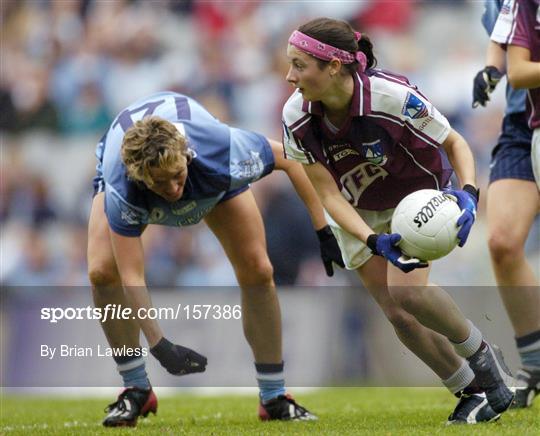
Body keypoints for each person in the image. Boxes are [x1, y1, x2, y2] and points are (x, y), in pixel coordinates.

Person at [282, 17, 515, 425]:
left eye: (300, 65)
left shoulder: (391, 97)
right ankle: (470, 392)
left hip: (417, 199)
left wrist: (469, 194)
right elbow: (328, 194)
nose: (289, 76)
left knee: (407, 295)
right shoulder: (296, 117)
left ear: (333, 66)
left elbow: (454, 142)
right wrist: (372, 240)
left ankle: (481, 355)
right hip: (358, 211)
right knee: (397, 314)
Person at [88, 91, 345, 426]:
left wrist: (323, 229)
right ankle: (135, 388)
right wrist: (160, 345)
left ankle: (274, 396)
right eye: (160, 183)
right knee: (102, 273)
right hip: (128, 166)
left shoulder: (218, 149)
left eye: (177, 175)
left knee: (258, 270)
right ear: (141, 177)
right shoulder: (125, 183)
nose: (173, 190)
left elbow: (292, 160)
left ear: (187, 155)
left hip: (209, 178)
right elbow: (133, 277)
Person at [472, 0, 540, 408]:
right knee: (501, 241)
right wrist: (491, 70)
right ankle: (534, 365)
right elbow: (503, 33)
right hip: (524, 123)